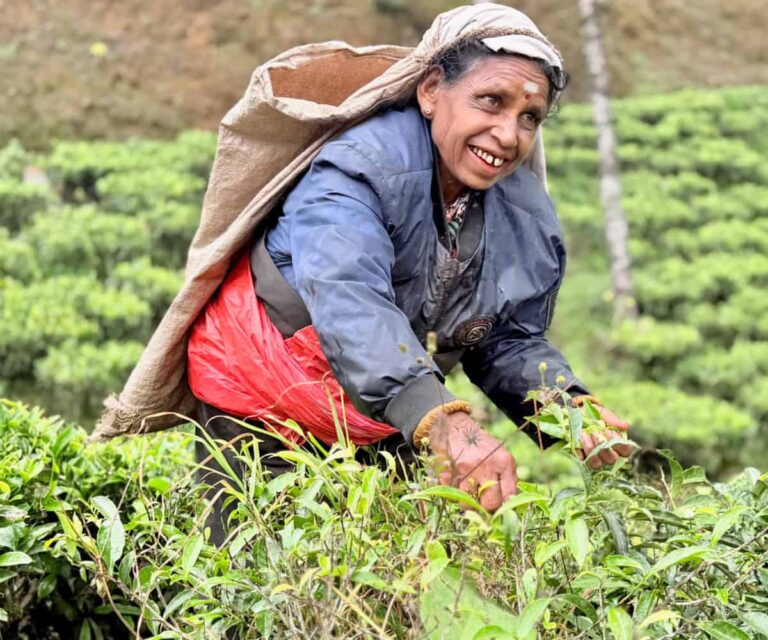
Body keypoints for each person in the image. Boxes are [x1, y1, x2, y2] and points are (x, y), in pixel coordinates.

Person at [183, 5, 633, 545]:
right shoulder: (358, 168)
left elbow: (502, 334)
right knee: (253, 567)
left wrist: (566, 405)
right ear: (431, 90)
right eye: (491, 101)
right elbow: (350, 299)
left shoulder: (519, 208)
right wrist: (442, 421)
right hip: (264, 396)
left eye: (529, 117)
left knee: (379, 565)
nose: (508, 134)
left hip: (382, 402)